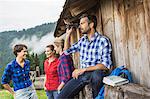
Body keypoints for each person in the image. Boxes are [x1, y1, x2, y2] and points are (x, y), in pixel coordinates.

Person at [57, 14, 112, 98]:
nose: (80, 26)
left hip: (96, 73)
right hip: (82, 75)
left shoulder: (103, 40)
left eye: (82, 23)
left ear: (91, 24)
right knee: (61, 97)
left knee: (97, 75)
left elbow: (105, 65)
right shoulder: (82, 41)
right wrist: (67, 35)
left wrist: (84, 69)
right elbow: (66, 52)